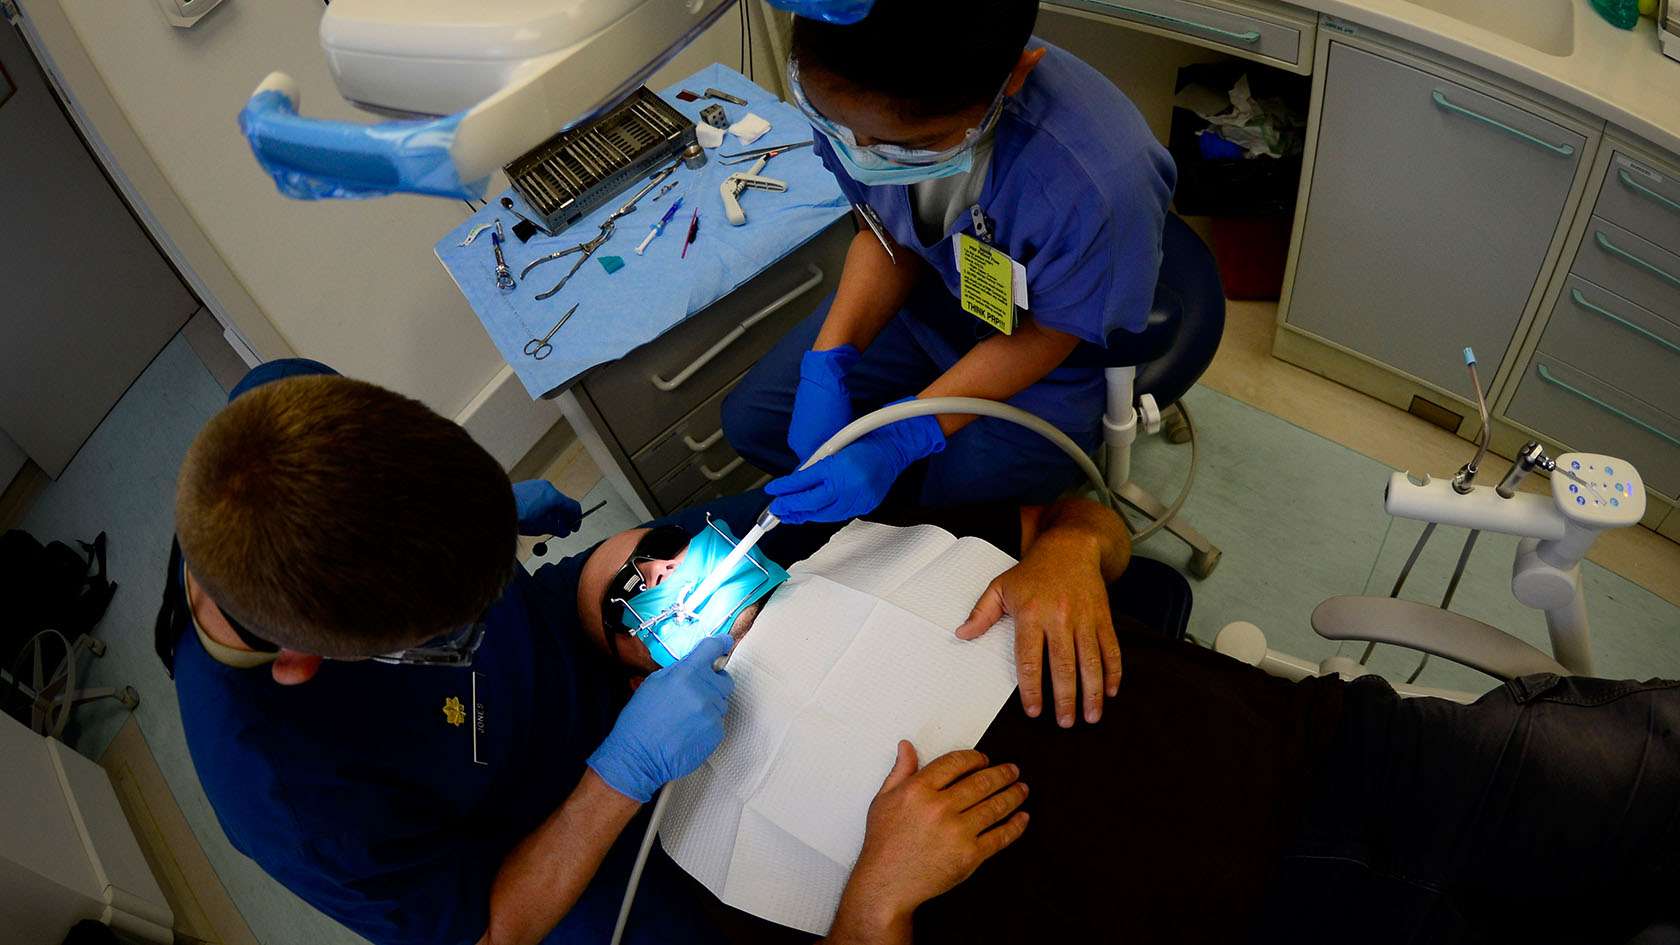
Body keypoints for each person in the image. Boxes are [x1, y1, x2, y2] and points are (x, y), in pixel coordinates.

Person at [156, 361, 1131, 945]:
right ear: (304, 661)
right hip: (539, 833)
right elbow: (494, 931)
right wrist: (618, 776)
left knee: (817, 545)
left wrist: (493, 522)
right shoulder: (283, 793)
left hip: (560, 628)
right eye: (450, 636)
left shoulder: (282, 420)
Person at [573, 510, 1680, 945]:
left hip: (1361, 759)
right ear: (633, 677)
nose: (660, 573)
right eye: (629, 598)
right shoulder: (702, 825)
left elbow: (1091, 522)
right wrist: (876, 898)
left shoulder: (883, 541)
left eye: (661, 543)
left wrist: (1068, 549)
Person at [722, 0, 1177, 524]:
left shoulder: (1098, 184)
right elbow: (883, 233)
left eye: (908, 148)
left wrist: (906, 436)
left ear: (1015, 77)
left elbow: (1052, 332)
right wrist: (829, 359)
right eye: (838, 127)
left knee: (945, 517)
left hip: (1045, 357)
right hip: (930, 301)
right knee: (757, 422)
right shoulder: (846, 93)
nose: (863, 155)